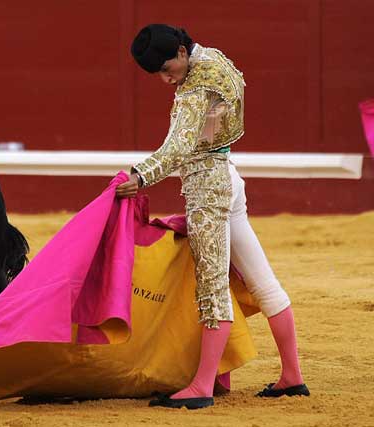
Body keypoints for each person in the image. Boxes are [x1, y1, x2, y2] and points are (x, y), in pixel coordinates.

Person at [116, 24, 309, 409]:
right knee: (262, 281)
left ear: (183, 53)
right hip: (229, 175)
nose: (166, 78)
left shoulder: (192, 90)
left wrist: (141, 175)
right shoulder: (215, 59)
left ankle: (202, 386)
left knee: (212, 287)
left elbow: (178, 148)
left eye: (168, 68)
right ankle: (292, 376)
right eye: (158, 73)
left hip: (207, 187)